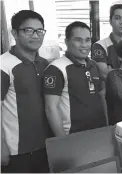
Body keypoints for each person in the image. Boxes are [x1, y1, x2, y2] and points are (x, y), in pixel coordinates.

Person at [1, 10, 52, 173]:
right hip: (17, 151)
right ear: (14, 33)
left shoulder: (44, 64)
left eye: (39, 31)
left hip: (45, 146)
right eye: (28, 30)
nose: (35, 36)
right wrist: (1, 147)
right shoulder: (4, 65)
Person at [43, 21, 107, 136]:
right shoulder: (56, 69)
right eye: (78, 40)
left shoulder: (93, 65)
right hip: (73, 135)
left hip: (99, 132)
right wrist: (63, 141)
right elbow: (51, 108)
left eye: (87, 40)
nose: (84, 45)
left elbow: (101, 96)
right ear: (67, 42)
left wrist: (106, 126)